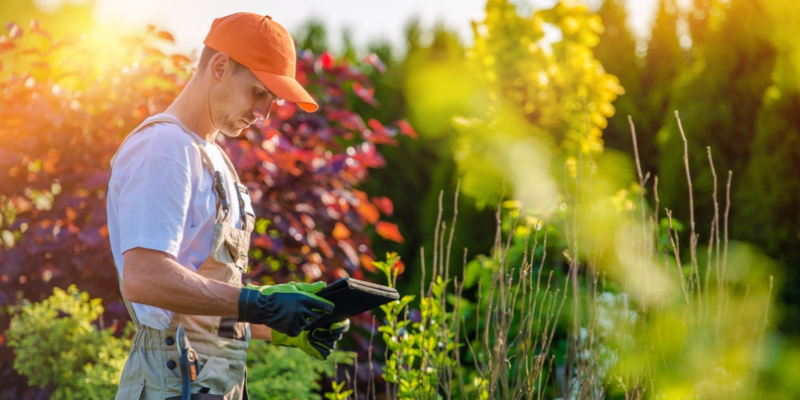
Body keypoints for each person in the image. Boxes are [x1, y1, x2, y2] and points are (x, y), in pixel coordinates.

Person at [107, 12, 348, 400]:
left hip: (213, 380)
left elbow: (202, 310)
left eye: (272, 100)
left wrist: (283, 323)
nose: (263, 114)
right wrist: (260, 303)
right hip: (172, 382)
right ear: (220, 66)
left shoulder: (214, 158)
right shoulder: (166, 148)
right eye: (258, 92)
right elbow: (144, 277)